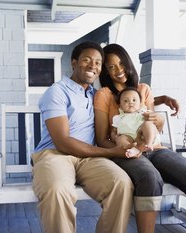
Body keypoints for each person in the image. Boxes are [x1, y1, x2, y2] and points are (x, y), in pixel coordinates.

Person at [94, 43, 186, 233]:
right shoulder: (104, 95)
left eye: (121, 63)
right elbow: (101, 139)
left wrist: (158, 120)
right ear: (106, 71)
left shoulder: (144, 89)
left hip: (154, 149)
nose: (119, 70)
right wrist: (120, 148)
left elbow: (153, 127)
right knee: (150, 176)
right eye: (112, 66)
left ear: (128, 62)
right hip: (125, 152)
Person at [31, 41, 134, 233]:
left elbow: (129, 100)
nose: (92, 66)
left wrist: (160, 100)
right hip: (55, 155)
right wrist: (111, 151)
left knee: (121, 183)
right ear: (74, 63)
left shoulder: (97, 95)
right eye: (86, 60)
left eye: (97, 63)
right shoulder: (57, 91)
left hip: (89, 159)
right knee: (57, 189)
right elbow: (62, 141)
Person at [111, 87, 162, 157]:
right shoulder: (118, 117)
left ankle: (148, 143)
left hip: (143, 136)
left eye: (134, 100)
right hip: (128, 138)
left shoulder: (144, 113)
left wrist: (152, 119)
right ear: (120, 106)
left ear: (140, 103)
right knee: (120, 139)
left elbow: (155, 126)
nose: (131, 103)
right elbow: (114, 130)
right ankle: (132, 149)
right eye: (126, 101)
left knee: (148, 124)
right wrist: (114, 137)